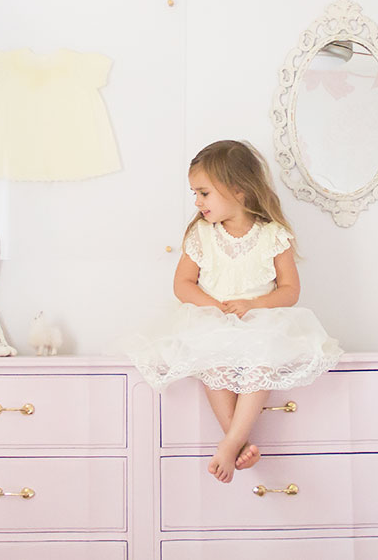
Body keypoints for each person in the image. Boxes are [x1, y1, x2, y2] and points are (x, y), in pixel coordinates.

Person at [127, 140, 342, 483]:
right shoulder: (202, 234)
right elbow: (183, 284)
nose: (197, 202)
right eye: (194, 193)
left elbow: (290, 291)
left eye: (203, 193)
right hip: (213, 318)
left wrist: (253, 305)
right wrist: (214, 308)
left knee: (263, 358)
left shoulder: (273, 236)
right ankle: (235, 442)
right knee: (214, 359)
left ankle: (231, 444)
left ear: (238, 191)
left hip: (262, 320)